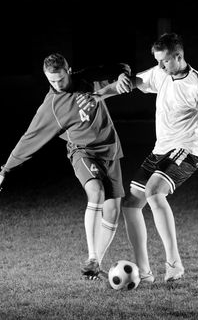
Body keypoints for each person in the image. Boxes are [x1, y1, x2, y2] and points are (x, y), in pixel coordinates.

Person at [116, 32, 198, 283]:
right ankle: (144, 272)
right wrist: (99, 95)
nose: (159, 67)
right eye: (158, 61)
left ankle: (174, 264)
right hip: (161, 149)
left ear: (179, 56)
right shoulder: (162, 73)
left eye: (164, 61)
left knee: (154, 192)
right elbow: (133, 82)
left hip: (186, 150)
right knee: (130, 204)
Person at [0, 53, 131, 280]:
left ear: (69, 71)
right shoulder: (51, 107)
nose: (57, 85)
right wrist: (5, 168)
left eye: (60, 79)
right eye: (52, 81)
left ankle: (95, 264)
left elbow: (122, 66)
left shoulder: (87, 78)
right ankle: (92, 256)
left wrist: (122, 76)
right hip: (83, 152)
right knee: (96, 192)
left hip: (110, 148)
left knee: (112, 211)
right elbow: (29, 138)